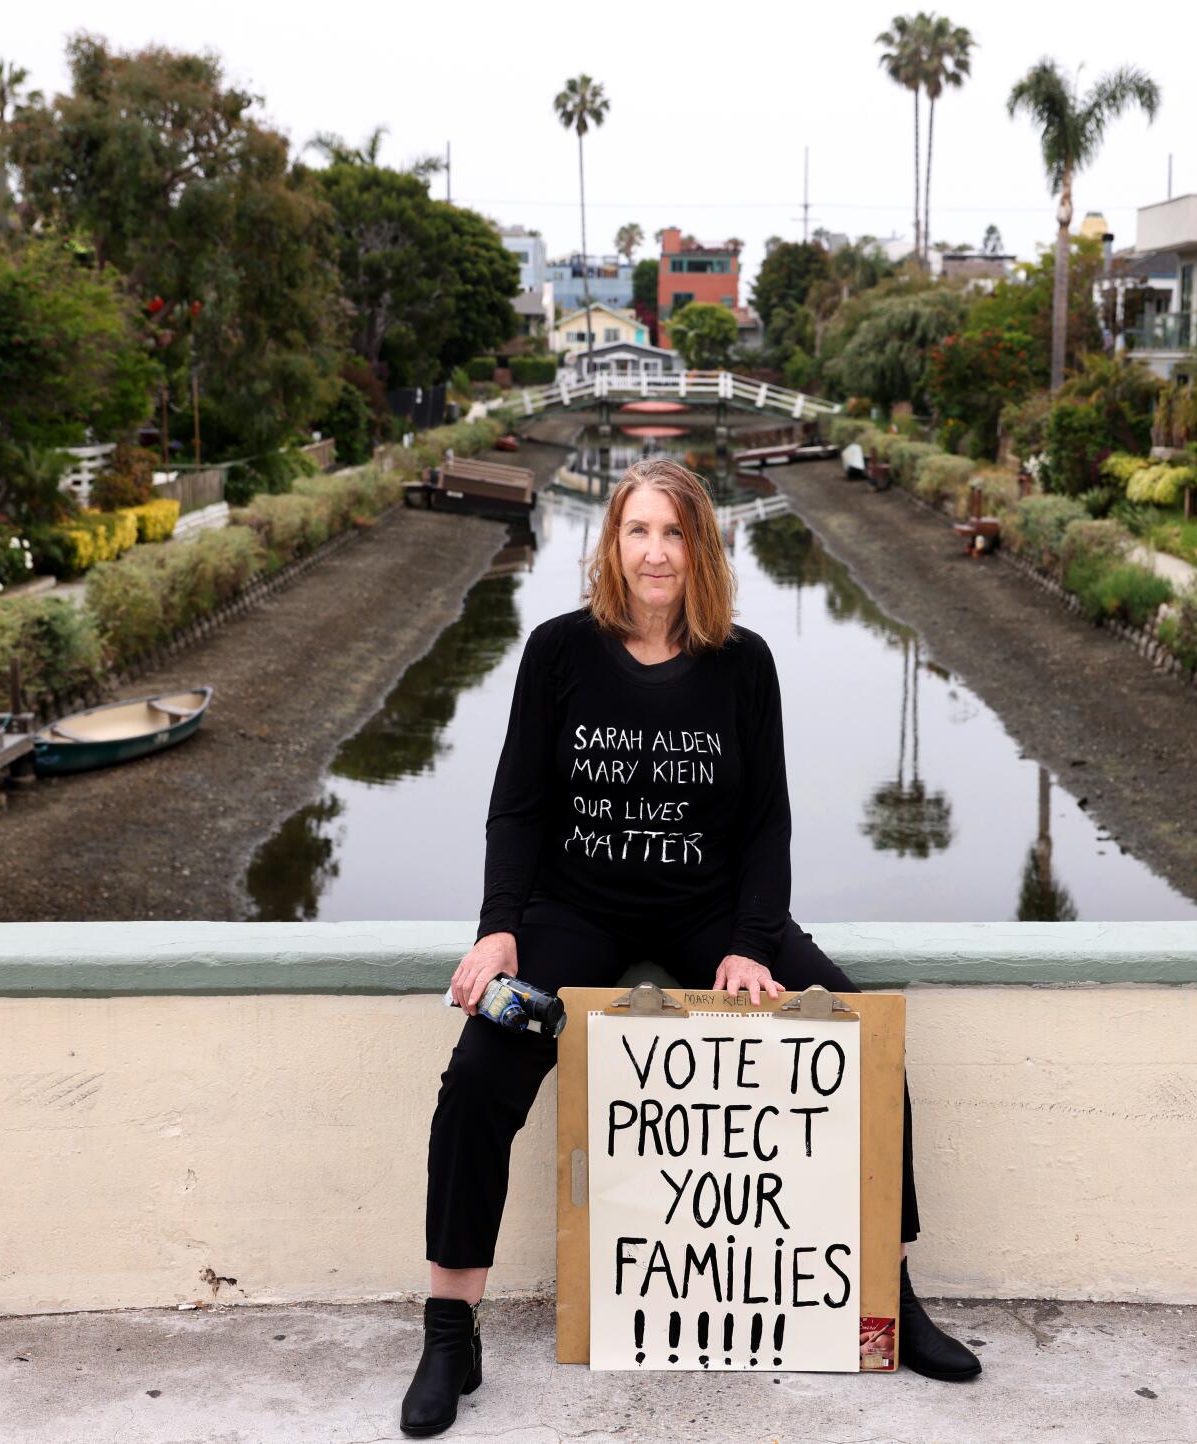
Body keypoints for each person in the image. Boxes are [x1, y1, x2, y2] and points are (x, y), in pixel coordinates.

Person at [400, 458, 981, 1437]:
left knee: (855, 1040)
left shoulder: (742, 662)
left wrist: (753, 945)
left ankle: (891, 1293)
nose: (655, 551)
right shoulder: (554, 653)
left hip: (708, 912)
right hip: (573, 910)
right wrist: (499, 926)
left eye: (675, 533)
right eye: (638, 530)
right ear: (611, 544)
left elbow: (765, 825)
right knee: (477, 1079)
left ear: (699, 548)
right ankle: (449, 1330)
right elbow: (518, 806)